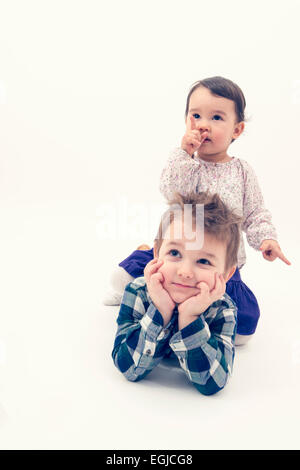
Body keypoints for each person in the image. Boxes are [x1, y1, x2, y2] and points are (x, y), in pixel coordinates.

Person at [105, 76, 291, 345]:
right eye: (196, 115)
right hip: (179, 254)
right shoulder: (186, 163)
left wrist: (266, 239)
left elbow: (255, 212)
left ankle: (193, 311)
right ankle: (149, 264)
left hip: (216, 262)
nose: (204, 124)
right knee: (120, 278)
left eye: (216, 117)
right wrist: (184, 153)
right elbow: (169, 190)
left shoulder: (242, 171)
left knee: (243, 332)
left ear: (236, 130)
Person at [112, 192, 242, 395]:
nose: (185, 272)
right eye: (174, 253)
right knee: (121, 277)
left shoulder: (223, 309)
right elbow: (128, 368)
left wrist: (190, 318)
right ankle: (141, 252)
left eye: (204, 261)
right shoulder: (138, 292)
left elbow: (213, 383)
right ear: (157, 254)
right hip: (150, 281)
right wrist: (161, 310)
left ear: (226, 274)